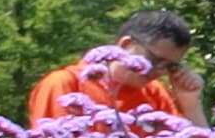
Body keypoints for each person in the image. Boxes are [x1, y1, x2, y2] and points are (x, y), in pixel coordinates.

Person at [29, 10, 198, 125]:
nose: (158, 72)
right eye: (154, 60)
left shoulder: (154, 92)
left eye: (169, 66)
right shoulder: (66, 84)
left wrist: (190, 102)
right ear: (125, 45)